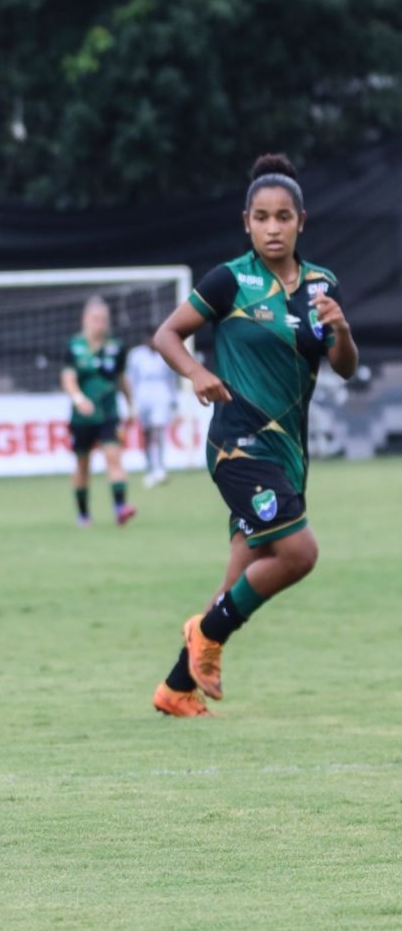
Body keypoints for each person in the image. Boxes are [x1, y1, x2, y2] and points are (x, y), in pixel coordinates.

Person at [151, 153, 358, 718]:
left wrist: (339, 328)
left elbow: (343, 366)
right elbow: (167, 335)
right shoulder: (230, 280)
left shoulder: (322, 285)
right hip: (237, 446)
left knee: (241, 573)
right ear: (247, 221)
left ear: (300, 222)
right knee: (299, 553)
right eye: (262, 217)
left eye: (283, 217)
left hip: (288, 453)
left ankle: (175, 688)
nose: (272, 227)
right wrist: (196, 373)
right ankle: (207, 633)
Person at [61, 295, 137, 527]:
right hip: (82, 417)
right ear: (85, 319)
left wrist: (131, 406)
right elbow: (68, 378)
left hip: (108, 414)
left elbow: (122, 378)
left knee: (113, 458)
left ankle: (120, 508)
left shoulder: (116, 347)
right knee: (82, 464)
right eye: (95, 319)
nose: (100, 323)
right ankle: (83, 514)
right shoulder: (75, 347)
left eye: (103, 319)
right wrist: (78, 398)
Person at [125, 328, 180, 487]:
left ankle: (160, 468)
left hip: (161, 396)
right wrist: (131, 401)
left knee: (158, 431)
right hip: (143, 397)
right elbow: (130, 378)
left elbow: (172, 378)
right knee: (147, 434)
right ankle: (149, 468)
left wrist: (174, 399)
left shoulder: (165, 353)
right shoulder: (135, 355)